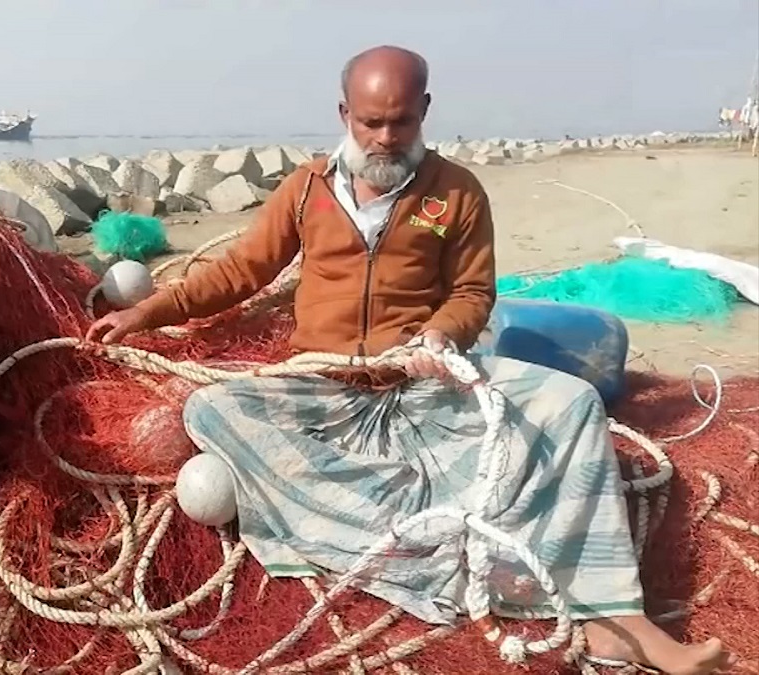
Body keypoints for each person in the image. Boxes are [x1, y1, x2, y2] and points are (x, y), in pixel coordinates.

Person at [87, 46, 737, 675]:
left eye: (401, 121)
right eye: (371, 122)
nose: (385, 138)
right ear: (344, 114)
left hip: (423, 385)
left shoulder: (456, 192)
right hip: (322, 386)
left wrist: (439, 335)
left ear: (424, 110)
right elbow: (239, 270)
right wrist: (147, 312)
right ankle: (411, 547)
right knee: (209, 408)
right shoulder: (306, 189)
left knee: (571, 402)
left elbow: (474, 292)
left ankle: (615, 619)